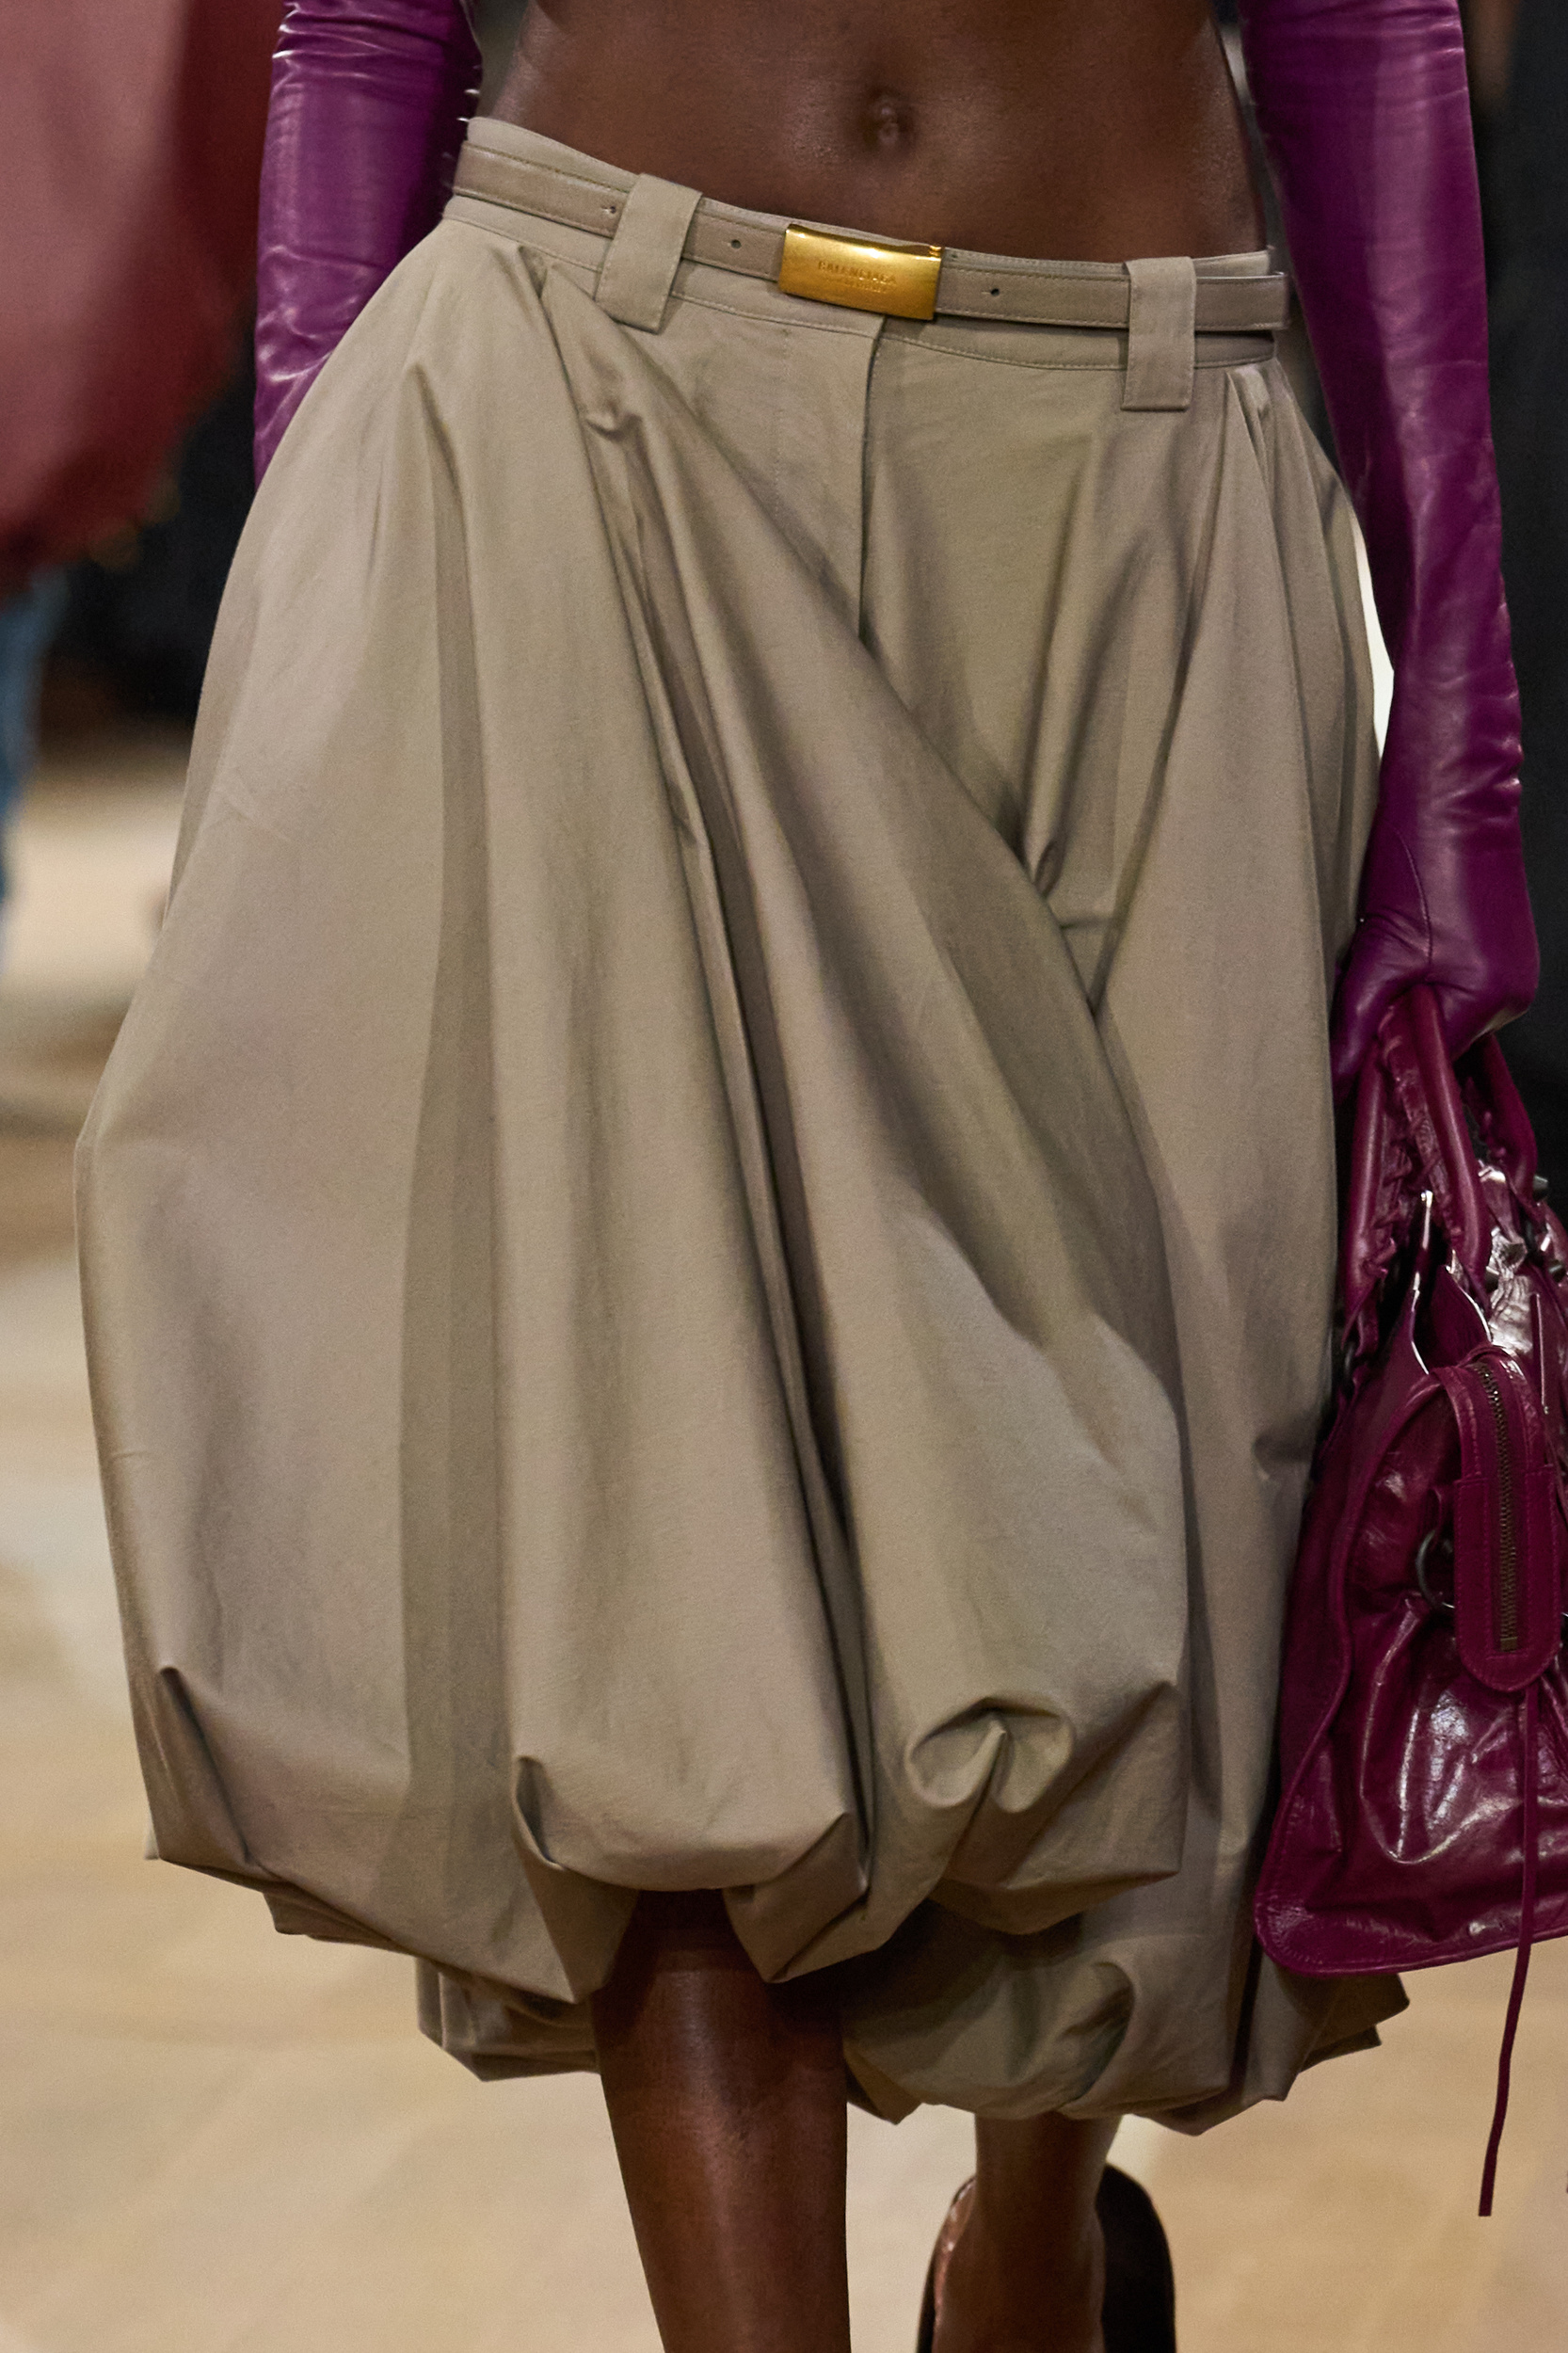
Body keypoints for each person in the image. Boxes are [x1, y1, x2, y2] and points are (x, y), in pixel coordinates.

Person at [76, 4, 1534, 2349]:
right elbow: (364, 21)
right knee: (665, 1575)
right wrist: (319, 623)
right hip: (589, 404)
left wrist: (1455, 738)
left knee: (1158, 1532)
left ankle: (1032, 2251)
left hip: (1139, 477)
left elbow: (1356, 31)